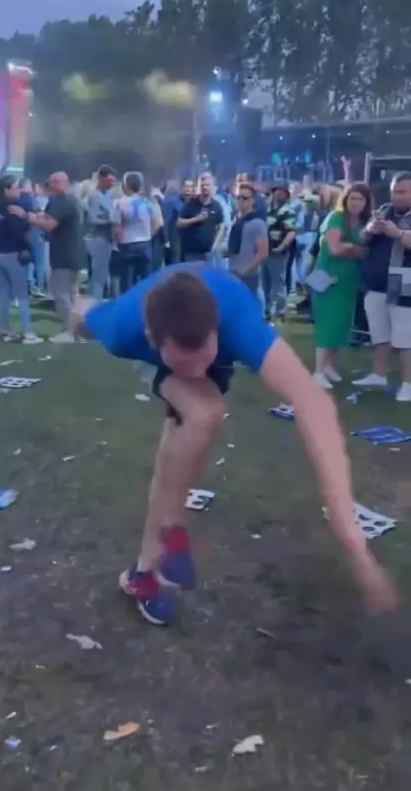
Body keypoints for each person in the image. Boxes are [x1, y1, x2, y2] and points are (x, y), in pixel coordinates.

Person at [70, 266, 398, 626]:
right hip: (153, 341)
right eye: (185, 362)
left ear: (217, 330)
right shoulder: (122, 329)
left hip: (208, 319)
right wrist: (77, 315)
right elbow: (86, 310)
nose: (196, 371)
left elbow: (314, 403)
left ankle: (143, 571)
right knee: (203, 413)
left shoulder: (237, 318)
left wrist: (351, 539)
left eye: (203, 357)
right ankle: (162, 549)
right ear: (151, 338)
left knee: (186, 437)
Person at [353, 173, 411, 401]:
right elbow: (361, 239)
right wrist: (370, 230)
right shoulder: (385, 210)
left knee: (405, 338)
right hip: (376, 282)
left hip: (404, 285)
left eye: (402, 192)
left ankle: (408, 384)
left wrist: (399, 234)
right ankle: (378, 374)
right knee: (379, 333)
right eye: (394, 191)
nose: (396, 196)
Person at [10, 171, 84, 344]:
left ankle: (69, 331)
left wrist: (25, 216)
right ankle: (77, 330)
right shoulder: (72, 201)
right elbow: (47, 217)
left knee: (60, 293)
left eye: (50, 183)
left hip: (64, 255)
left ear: (58, 184)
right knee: (72, 295)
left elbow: (48, 224)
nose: (48, 186)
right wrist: (35, 215)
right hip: (74, 253)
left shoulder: (62, 202)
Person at [312, 183, 371, 388]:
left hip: (348, 279)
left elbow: (365, 251)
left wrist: (352, 249)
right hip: (328, 277)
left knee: (341, 323)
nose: (356, 203)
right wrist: (354, 248)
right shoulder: (336, 217)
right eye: (353, 198)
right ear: (345, 199)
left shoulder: (362, 222)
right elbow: (335, 248)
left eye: (361, 199)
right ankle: (318, 371)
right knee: (328, 323)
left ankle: (329, 365)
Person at [0, 175, 42, 345]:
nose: (19, 191)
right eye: (16, 187)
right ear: (7, 189)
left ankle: (6, 330)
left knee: (3, 294)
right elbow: (18, 230)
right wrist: (26, 246)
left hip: (1, 253)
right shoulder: (12, 207)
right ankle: (27, 332)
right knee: (22, 295)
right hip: (14, 252)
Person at [114, 172, 158, 292]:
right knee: (146, 279)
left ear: (126, 185)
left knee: (127, 281)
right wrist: (149, 236)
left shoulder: (120, 203)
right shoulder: (148, 202)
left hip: (127, 244)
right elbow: (156, 223)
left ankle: (128, 301)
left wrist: (117, 242)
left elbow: (117, 227)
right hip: (145, 243)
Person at [262, 184, 296, 321]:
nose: (278, 194)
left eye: (282, 192)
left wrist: (281, 247)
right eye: (276, 191)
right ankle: (267, 309)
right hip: (265, 251)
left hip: (278, 253)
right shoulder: (269, 211)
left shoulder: (287, 212)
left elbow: (291, 233)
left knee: (278, 283)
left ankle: (280, 310)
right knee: (265, 283)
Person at [227, 182, 268, 294]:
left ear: (252, 200)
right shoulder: (238, 221)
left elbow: (263, 252)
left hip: (248, 275)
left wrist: (247, 268)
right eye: (238, 197)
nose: (240, 201)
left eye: (245, 198)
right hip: (233, 271)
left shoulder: (257, 223)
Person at [177, 174, 224, 262]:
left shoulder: (216, 206)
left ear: (212, 187)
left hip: (208, 254)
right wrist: (195, 219)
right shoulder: (191, 204)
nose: (205, 187)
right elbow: (179, 223)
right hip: (191, 253)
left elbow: (220, 227)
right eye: (202, 185)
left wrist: (215, 244)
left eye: (207, 185)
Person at [86, 165, 117, 300]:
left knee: (106, 274)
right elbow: (92, 218)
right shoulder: (95, 196)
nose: (111, 184)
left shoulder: (110, 196)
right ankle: (95, 301)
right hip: (98, 238)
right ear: (101, 179)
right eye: (109, 181)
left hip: (109, 238)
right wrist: (110, 220)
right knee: (98, 274)